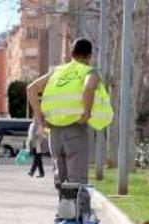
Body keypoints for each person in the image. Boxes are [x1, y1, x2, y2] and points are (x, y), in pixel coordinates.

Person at [26, 38, 113, 188]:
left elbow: (31, 89)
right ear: (89, 56)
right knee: (76, 181)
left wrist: (40, 118)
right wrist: (86, 112)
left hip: (54, 133)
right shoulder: (88, 71)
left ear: (71, 54)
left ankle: (64, 208)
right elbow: (89, 87)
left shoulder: (57, 72)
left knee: (60, 178)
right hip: (75, 129)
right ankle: (76, 210)